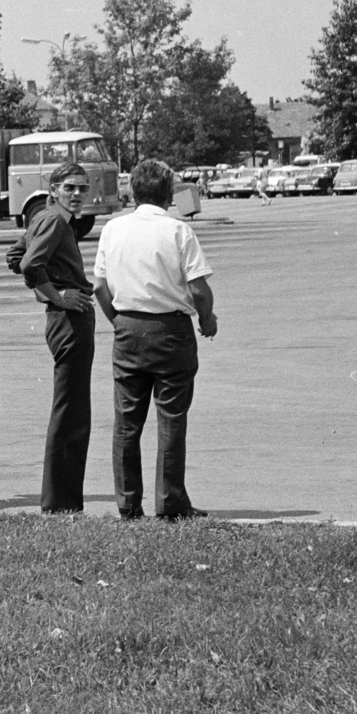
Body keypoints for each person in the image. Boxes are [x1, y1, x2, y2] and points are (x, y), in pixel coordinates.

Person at [91, 159, 218, 521]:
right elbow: (199, 288)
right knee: (172, 418)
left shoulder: (112, 230)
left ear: (133, 192)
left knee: (127, 421)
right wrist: (206, 319)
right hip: (170, 331)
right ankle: (171, 501)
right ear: (168, 194)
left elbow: (99, 285)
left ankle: (128, 503)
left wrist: (118, 321)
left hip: (128, 328)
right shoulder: (178, 231)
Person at [19, 163, 96, 514]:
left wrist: (45, 291)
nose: (77, 194)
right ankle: (59, 502)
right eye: (69, 188)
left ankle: (62, 500)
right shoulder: (54, 220)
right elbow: (29, 265)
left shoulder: (50, 219)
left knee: (71, 408)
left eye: (82, 188)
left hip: (65, 317)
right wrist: (56, 295)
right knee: (71, 410)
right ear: (53, 190)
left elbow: (15, 256)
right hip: (69, 318)